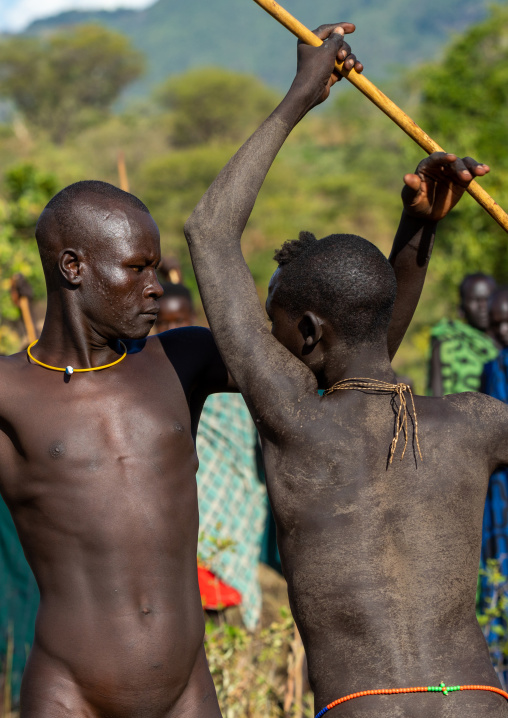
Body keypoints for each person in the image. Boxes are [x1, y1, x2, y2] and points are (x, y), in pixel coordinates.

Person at [184, 22, 507, 717]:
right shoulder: (480, 424)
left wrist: (301, 95)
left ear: (304, 332)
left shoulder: (293, 421)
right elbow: (366, 349)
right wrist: (418, 234)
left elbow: (209, 231)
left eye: (274, 325)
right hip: (483, 701)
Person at [155, 283, 267, 630]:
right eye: (164, 322)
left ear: (194, 318)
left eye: (180, 320)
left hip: (228, 508)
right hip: (177, 519)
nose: (173, 330)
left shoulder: (220, 372)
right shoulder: (147, 377)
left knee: (218, 621)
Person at [429, 273, 498, 396]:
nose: (483, 306)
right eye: (476, 300)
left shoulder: (502, 341)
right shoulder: (448, 341)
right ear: (461, 309)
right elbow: (437, 396)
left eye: (488, 299)